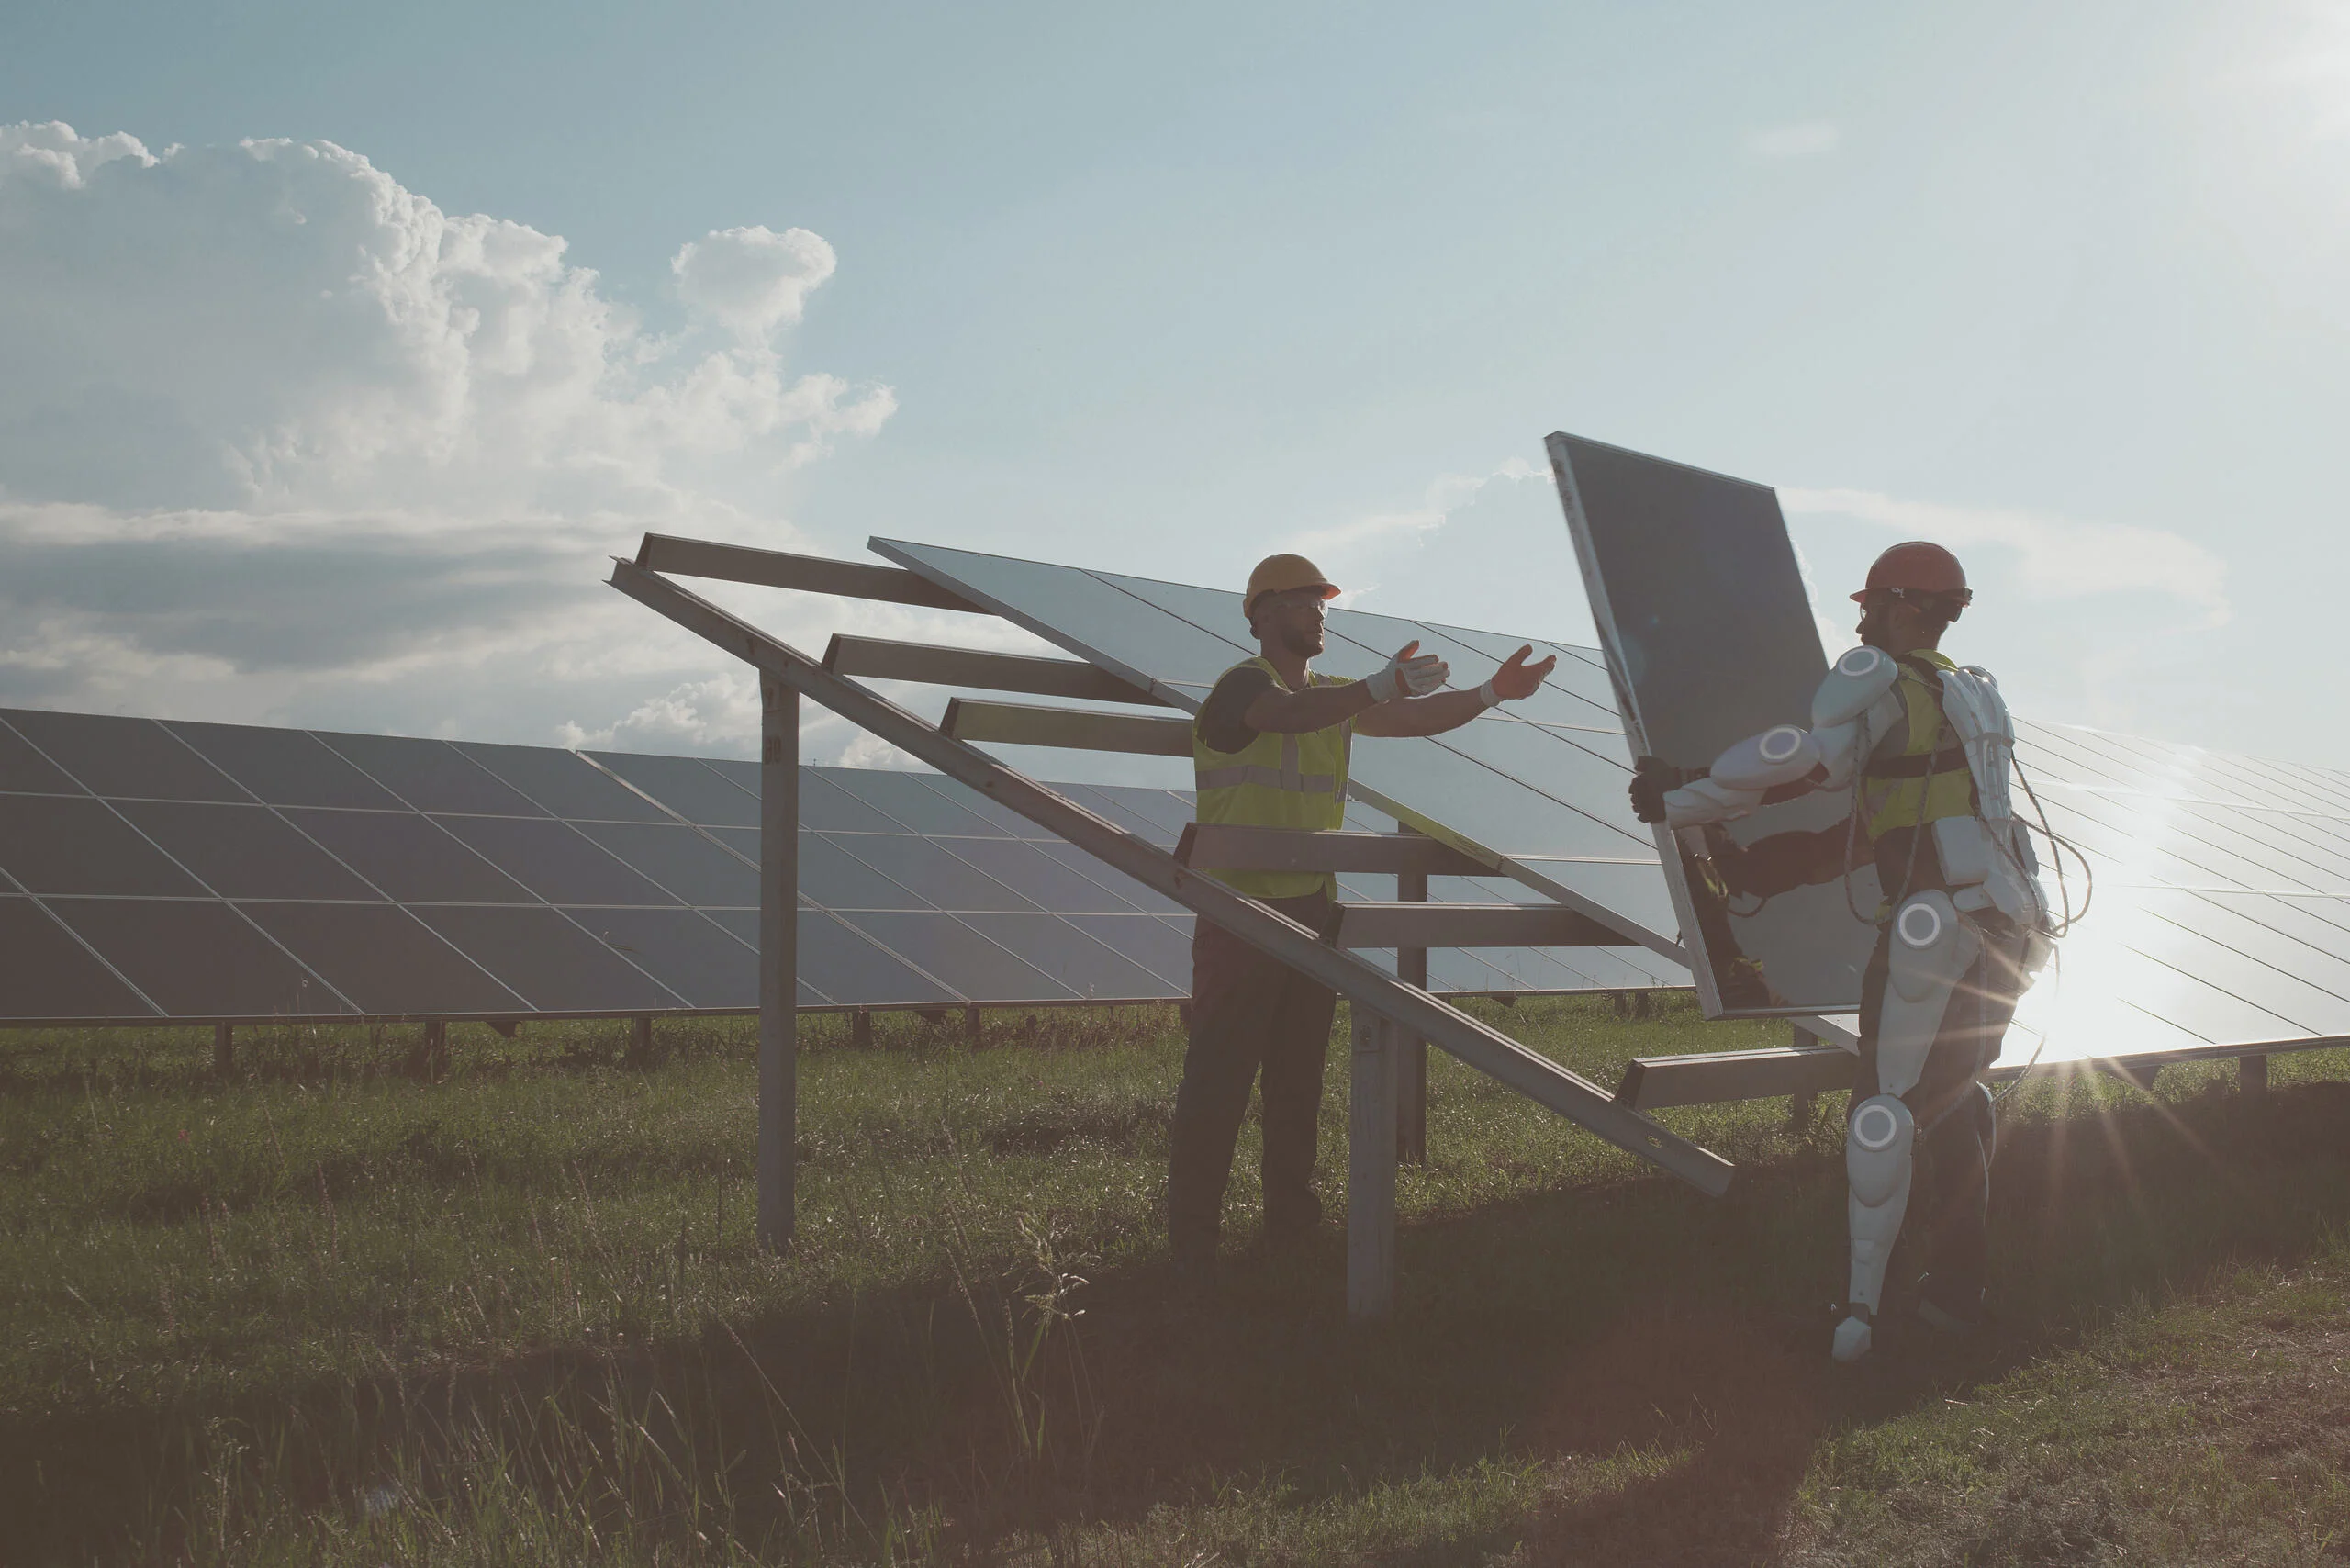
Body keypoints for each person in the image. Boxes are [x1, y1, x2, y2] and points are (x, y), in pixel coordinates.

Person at [1628, 542, 2055, 1362]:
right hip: (2009, 926)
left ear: (1900, 607)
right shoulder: (1965, 698)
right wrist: (1759, 870)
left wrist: (1681, 789)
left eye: (1867, 606)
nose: (1856, 620)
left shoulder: (1882, 679)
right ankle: (1956, 1299)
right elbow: (1863, 837)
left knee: (1883, 1108)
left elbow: (1805, 758)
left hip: (1937, 927)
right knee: (1952, 1098)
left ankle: (1861, 1320)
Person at [1168, 553, 1556, 1282]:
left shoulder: (1338, 695)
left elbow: (1411, 717)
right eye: (1303, 601)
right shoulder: (1241, 687)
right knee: (1219, 1077)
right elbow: (1282, 715)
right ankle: (1192, 1246)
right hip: (1238, 905)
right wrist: (1376, 686)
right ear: (1261, 614)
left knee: (1297, 1077)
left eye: (1323, 603)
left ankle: (1290, 1226)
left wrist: (1491, 692)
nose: (1319, 612)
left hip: (1312, 903)